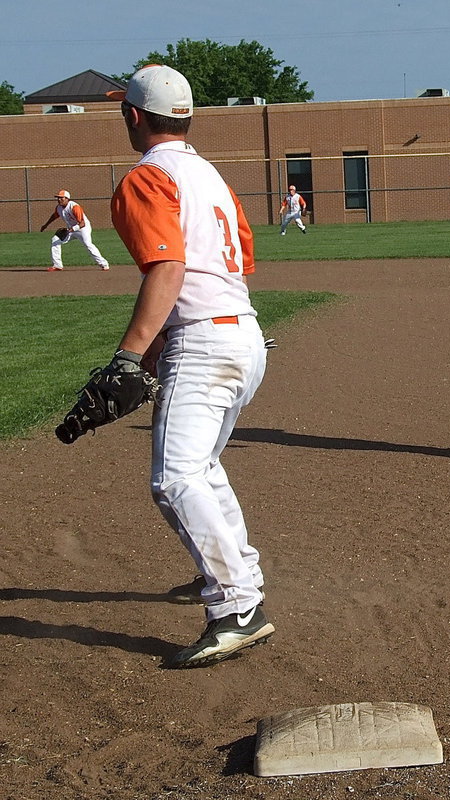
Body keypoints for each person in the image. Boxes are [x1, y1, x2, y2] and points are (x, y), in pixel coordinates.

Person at [105, 64, 274, 668]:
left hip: (204, 341)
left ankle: (236, 607)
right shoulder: (209, 175)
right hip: (242, 334)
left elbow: (169, 271)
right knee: (200, 467)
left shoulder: (149, 176)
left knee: (174, 479)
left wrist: (128, 356)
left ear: (133, 115)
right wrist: (151, 357)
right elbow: (232, 264)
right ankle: (238, 575)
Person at [40, 190, 110, 272]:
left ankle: (104, 264)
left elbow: (82, 223)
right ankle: (57, 265)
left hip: (83, 229)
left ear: (67, 199)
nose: (59, 199)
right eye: (58, 198)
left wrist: (71, 229)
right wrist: (46, 225)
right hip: (70, 229)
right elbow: (54, 216)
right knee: (55, 240)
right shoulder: (59, 208)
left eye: (61, 198)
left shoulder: (74, 207)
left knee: (88, 244)